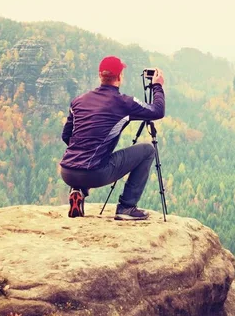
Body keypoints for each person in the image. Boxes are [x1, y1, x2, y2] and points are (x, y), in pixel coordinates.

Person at [59, 56, 165, 220]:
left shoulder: (78, 101)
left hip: (67, 172)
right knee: (147, 151)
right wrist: (157, 86)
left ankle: (77, 190)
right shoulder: (124, 103)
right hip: (95, 174)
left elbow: (66, 136)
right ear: (120, 76)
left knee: (86, 154)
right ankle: (127, 207)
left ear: (99, 75)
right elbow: (157, 111)